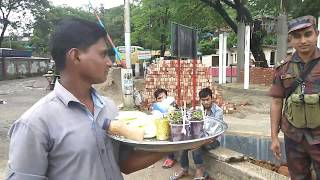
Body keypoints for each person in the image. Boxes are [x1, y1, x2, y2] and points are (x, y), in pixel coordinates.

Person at [6, 18, 165, 180]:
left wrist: (176, 144)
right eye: (103, 54)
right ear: (75, 56)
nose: (110, 63)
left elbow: (125, 163)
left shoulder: (108, 107)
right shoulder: (34, 124)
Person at [269, 15, 320, 179]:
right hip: (293, 137)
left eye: (308, 34)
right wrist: (274, 137)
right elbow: (277, 102)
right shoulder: (284, 68)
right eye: (297, 36)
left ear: (317, 34)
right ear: (290, 40)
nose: (303, 40)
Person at [171, 87, 223, 180]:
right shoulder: (198, 110)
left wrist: (201, 140)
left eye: (207, 99)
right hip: (200, 137)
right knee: (184, 144)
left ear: (212, 98)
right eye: (203, 100)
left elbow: (215, 132)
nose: (206, 102)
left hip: (213, 140)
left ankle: (200, 170)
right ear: (200, 100)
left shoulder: (218, 111)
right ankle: (184, 169)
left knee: (196, 146)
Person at [152, 88, 177, 168]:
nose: (162, 100)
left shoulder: (171, 104)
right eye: (159, 98)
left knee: (171, 135)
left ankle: (170, 157)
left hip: (171, 127)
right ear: (156, 100)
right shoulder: (156, 107)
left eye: (164, 97)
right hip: (161, 128)